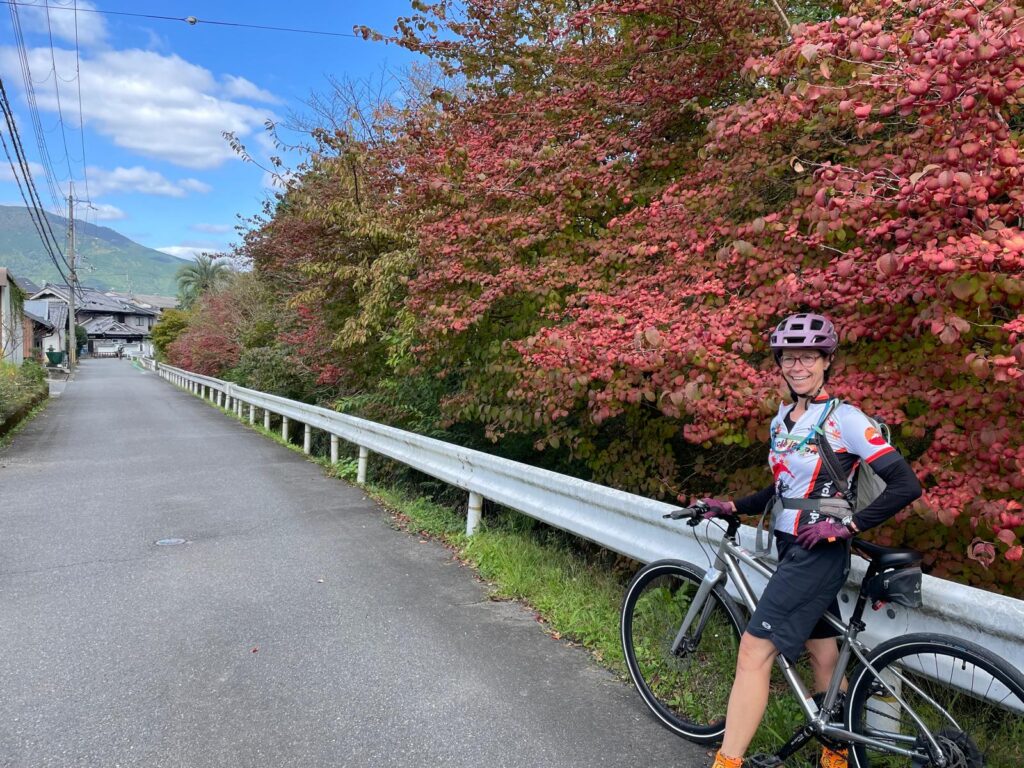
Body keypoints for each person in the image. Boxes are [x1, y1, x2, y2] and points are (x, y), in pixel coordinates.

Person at [703, 313, 922, 768]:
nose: (796, 365)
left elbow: (906, 485)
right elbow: (784, 490)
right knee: (823, 651)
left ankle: (727, 761)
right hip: (790, 547)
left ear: (826, 361)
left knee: (754, 649)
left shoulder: (845, 419)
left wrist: (848, 527)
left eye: (807, 357)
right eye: (787, 357)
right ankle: (837, 756)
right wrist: (735, 505)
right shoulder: (782, 420)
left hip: (818, 554)